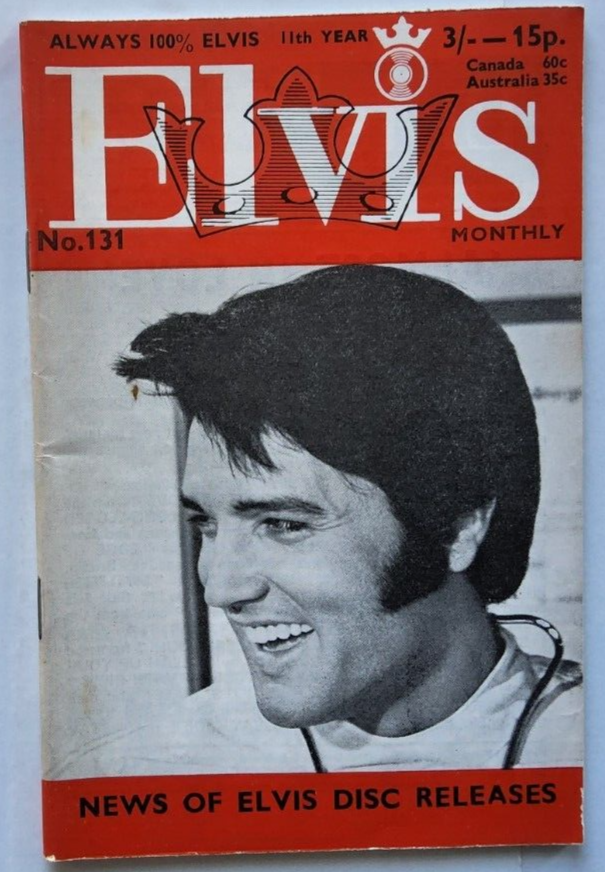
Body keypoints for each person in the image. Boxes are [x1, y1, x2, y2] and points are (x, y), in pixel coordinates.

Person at [58, 265, 582, 777]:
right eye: (207, 525)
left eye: (283, 524)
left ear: (459, 526)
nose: (220, 588)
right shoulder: (137, 777)